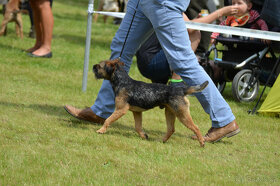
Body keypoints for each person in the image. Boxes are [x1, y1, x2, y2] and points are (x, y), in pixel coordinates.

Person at [65, 0, 240, 143]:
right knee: (121, 47)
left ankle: (223, 120)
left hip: (162, 2)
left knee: (182, 61)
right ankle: (101, 111)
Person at [136, 5, 241, 86]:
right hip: (151, 62)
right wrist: (220, 12)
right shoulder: (170, 4)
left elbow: (186, 24)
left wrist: (197, 19)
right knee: (195, 34)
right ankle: (176, 80)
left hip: (144, 60)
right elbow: (190, 28)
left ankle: (162, 85)